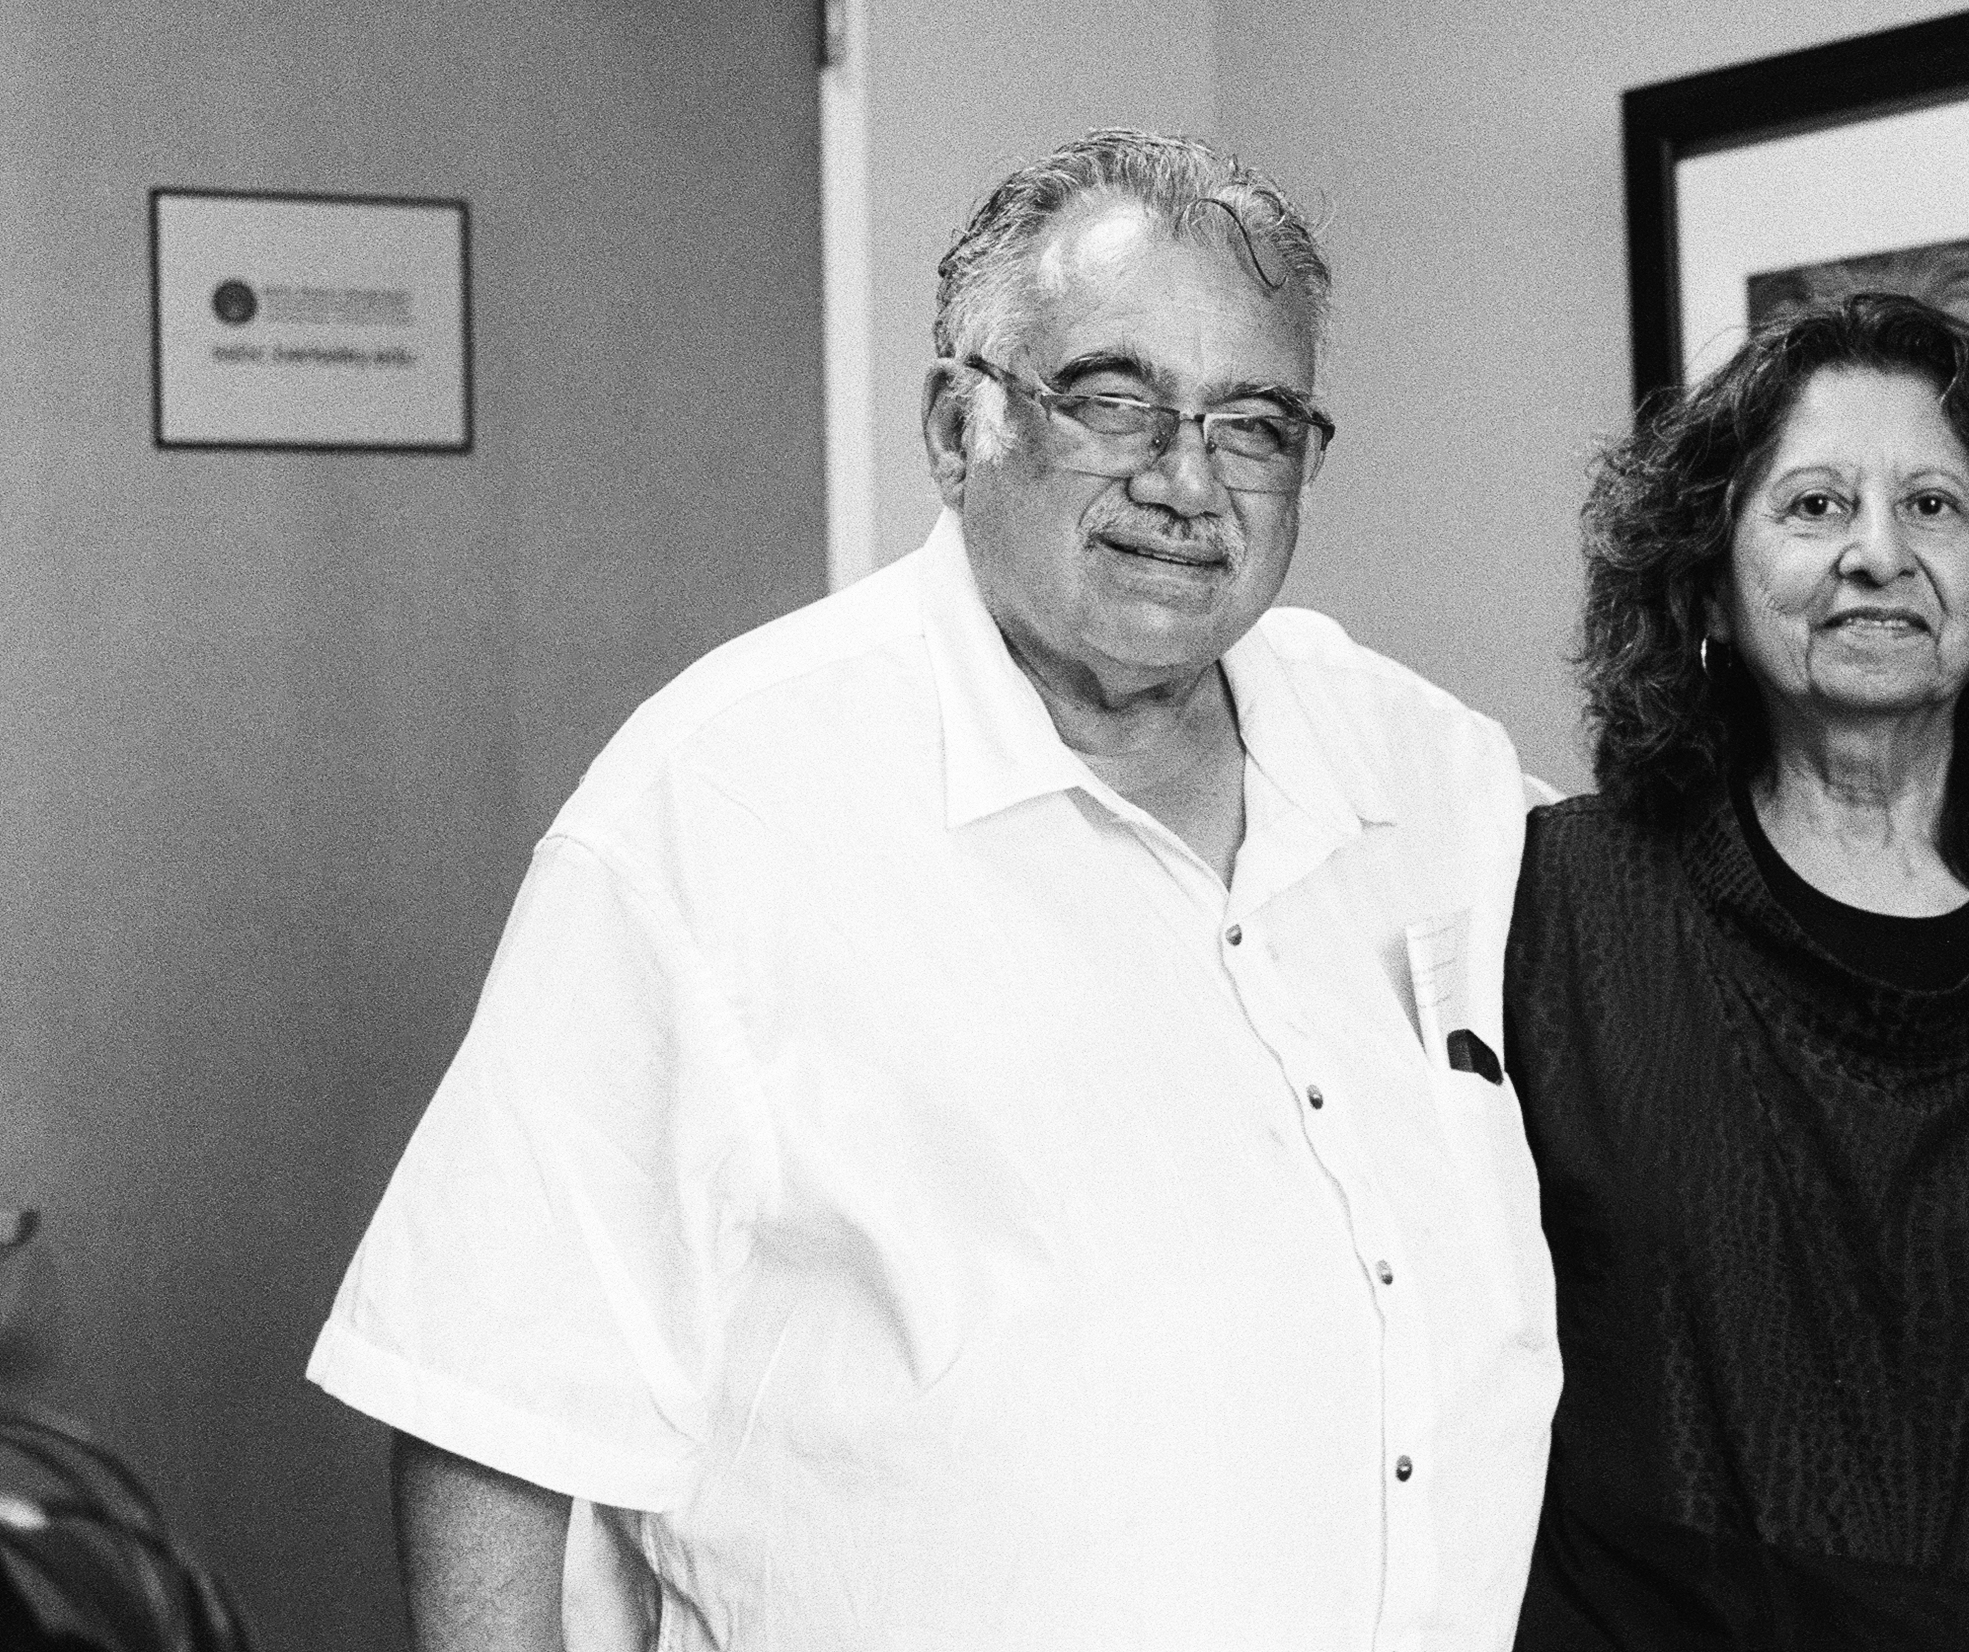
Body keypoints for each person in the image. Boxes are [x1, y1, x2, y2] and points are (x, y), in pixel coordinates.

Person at [307, 130, 1560, 1651]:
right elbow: (488, 1404)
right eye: (1113, 399)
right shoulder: (722, 801)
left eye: (1253, 424)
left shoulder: (1428, 775)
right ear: (956, 422)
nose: (1186, 481)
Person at [1509, 293, 1969, 1649]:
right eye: (1811, 507)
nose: (1876, 553)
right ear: (1705, 581)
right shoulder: (1561, 905)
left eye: (1932, 505)